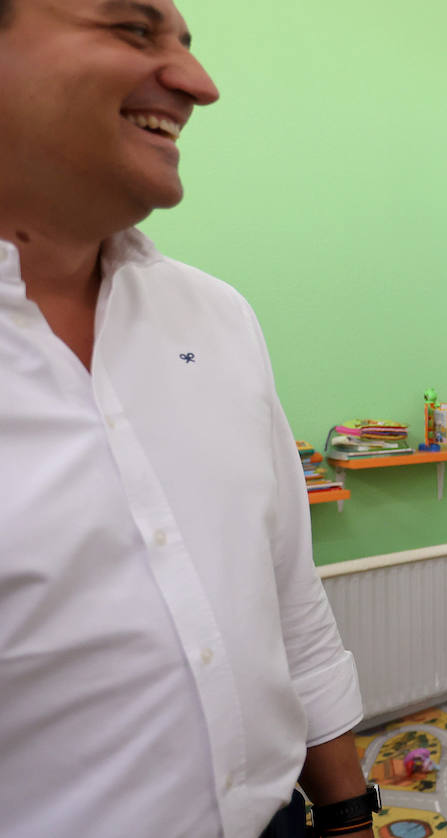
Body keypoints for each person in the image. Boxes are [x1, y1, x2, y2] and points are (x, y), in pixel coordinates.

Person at [0, 1, 376, 836]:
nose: (198, 85)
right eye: (133, 31)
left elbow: (287, 597)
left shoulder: (216, 317)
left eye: (186, 44)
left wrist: (349, 811)